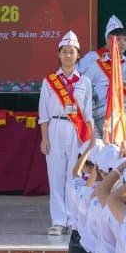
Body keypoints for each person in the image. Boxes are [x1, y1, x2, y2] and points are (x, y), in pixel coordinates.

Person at [39, 31, 95, 236]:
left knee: (75, 175)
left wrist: (90, 141)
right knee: (55, 176)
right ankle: (58, 220)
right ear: (59, 55)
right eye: (64, 52)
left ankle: (73, 219)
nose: (68, 56)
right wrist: (44, 138)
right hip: (55, 127)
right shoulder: (50, 81)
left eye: (72, 52)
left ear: (78, 55)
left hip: (76, 130)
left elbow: (88, 114)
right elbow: (43, 113)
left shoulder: (85, 82)